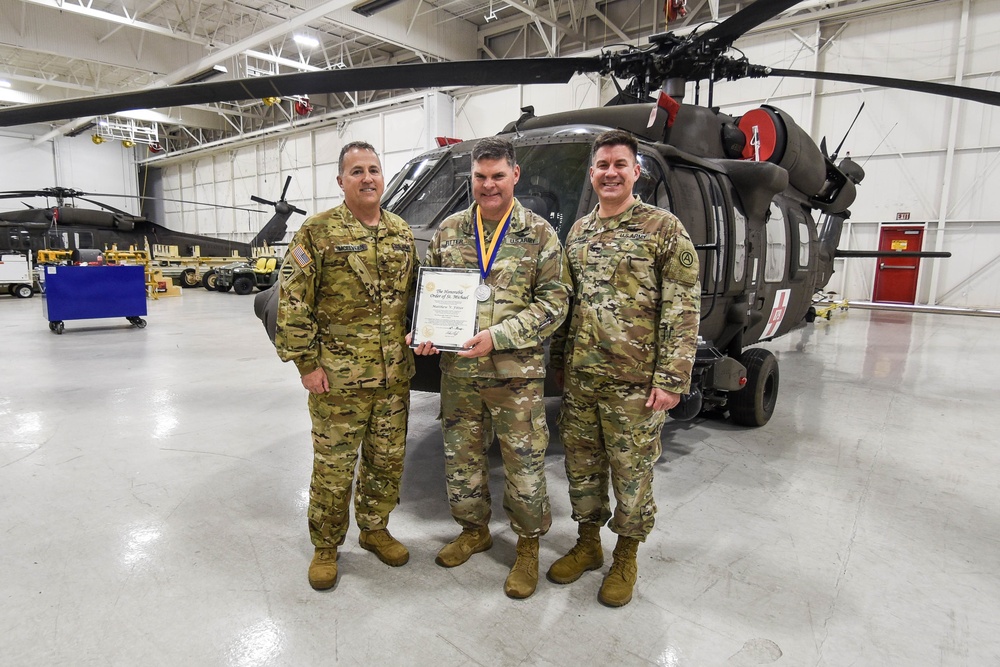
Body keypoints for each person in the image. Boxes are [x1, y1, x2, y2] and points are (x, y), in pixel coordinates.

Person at [547, 129, 701, 607]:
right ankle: (589, 544)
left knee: (632, 475)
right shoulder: (579, 232)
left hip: (635, 385)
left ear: (636, 171)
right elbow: (566, 304)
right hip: (581, 381)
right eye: (602, 165)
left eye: (620, 164)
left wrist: (672, 379)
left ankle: (626, 556)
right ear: (592, 174)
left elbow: (683, 306)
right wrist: (557, 364)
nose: (610, 172)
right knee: (582, 470)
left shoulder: (663, 229)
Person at [412, 136, 570, 599]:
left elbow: (555, 303)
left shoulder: (539, 234)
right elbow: (432, 295)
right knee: (461, 461)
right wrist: (425, 333)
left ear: (515, 175)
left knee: (524, 465)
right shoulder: (450, 232)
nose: (488, 185)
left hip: (514, 377)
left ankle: (527, 546)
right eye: (480, 177)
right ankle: (473, 530)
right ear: (471, 179)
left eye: (498, 175)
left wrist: (498, 337)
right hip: (459, 376)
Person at [274, 141, 418, 591]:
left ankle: (374, 528)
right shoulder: (315, 232)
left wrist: (427, 329)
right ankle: (326, 544)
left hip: (393, 377)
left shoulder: (401, 232)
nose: (367, 178)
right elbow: (293, 301)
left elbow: (416, 297)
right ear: (341, 181)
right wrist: (305, 364)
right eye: (356, 171)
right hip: (336, 378)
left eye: (373, 169)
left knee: (386, 460)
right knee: (334, 466)